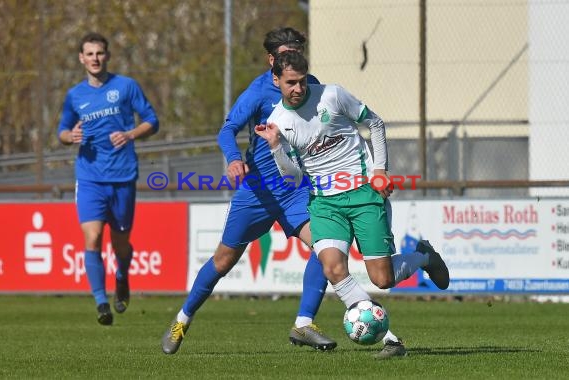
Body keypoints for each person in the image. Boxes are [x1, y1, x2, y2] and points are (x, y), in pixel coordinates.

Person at [255, 50, 450, 358]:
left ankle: (424, 257)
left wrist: (380, 171)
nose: (298, 88)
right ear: (276, 80)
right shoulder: (278, 122)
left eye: (303, 81)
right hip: (324, 203)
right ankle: (391, 340)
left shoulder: (332, 95)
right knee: (332, 267)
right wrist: (277, 147)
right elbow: (293, 178)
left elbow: (375, 123)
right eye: (291, 82)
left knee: (382, 279)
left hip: (363, 194)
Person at [161, 27, 339, 355]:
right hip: (257, 191)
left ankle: (304, 323)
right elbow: (228, 129)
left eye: (298, 51)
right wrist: (232, 160)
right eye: (286, 54)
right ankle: (182, 318)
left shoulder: (311, 87)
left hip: (296, 189)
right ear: (272, 60)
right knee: (223, 260)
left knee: (325, 246)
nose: (293, 60)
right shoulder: (258, 92)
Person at [57, 32, 159, 326]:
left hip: (123, 175)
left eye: (99, 53)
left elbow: (152, 120)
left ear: (107, 56)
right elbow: (62, 131)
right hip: (89, 177)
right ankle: (101, 302)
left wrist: (129, 134)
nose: (95, 59)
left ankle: (122, 275)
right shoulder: (75, 95)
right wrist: (70, 136)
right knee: (92, 238)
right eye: (89, 54)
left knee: (120, 243)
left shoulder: (126, 86)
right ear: (81, 58)